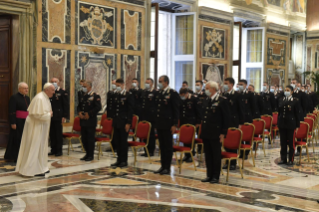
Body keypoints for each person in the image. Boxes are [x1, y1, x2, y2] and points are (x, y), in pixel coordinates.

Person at [15, 83, 55, 177]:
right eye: (52, 90)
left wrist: (49, 114)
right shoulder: (40, 98)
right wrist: (49, 115)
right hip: (36, 128)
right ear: (47, 90)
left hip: (41, 128)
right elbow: (37, 115)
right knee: (34, 147)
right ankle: (31, 170)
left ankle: (41, 167)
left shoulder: (45, 97)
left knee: (41, 148)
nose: (54, 92)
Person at [201, 81, 229, 184]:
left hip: (216, 132)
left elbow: (226, 118)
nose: (206, 90)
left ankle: (215, 176)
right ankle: (209, 175)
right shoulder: (206, 100)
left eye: (207, 88)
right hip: (206, 132)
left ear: (213, 89)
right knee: (208, 155)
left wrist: (223, 133)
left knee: (216, 155)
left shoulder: (222, 101)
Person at [154, 75, 179, 175]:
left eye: (161, 81)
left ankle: (167, 167)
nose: (159, 83)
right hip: (160, 123)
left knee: (168, 146)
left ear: (166, 82)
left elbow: (176, 110)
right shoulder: (159, 93)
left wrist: (174, 124)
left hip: (168, 124)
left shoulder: (172, 93)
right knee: (162, 146)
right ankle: (162, 166)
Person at [4, 82, 30, 162]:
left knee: (24, 139)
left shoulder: (28, 98)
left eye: (27, 88)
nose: (26, 90)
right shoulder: (14, 97)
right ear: (19, 89)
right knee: (16, 139)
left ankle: (23, 155)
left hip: (26, 121)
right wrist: (13, 122)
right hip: (17, 122)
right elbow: (11, 111)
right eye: (24, 88)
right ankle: (15, 156)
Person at [222, 77, 244, 170]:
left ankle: (233, 163)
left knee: (233, 142)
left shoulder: (237, 95)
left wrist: (240, 123)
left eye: (226, 83)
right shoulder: (223, 94)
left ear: (231, 85)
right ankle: (227, 161)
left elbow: (241, 109)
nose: (225, 85)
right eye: (224, 83)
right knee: (226, 142)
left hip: (234, 121)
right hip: (225, 122)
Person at [111, 79, 134, 168]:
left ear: (123, 85)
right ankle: (119, 159)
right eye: (116, 85)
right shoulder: (116, 95)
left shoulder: (128, 95)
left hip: (124, 122)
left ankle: (124, 160)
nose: (117, 87)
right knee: (117, 142)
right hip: (117, 122)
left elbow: (130, 110)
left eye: (118, 85)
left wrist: (128, 122)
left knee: (123, 142)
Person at [77, 81, 102, 161]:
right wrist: (79, 112)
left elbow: (98, 107)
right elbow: (79, 106)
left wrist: (90, 113)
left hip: (90, 120)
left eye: (85, 86)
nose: (83, 88)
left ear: (90, 87)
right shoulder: (82, 95)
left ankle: (90, 155)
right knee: (84, 138)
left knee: (90, 139)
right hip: (83, 120)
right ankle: (87, 153)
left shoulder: (95, 95)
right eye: (83, 86)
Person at [278, 85, 300, 166]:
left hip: (291, 124)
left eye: (288, 90)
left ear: (291, 92)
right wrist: (278, 123)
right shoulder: (281, 100)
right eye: (285, 90)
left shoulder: (295, 101)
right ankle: (283, 158)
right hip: (282, 124)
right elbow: (279, 113)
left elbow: (297, 114)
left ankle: (291, 159)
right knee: (283, 142)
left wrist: (297, 125)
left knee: (291, 143)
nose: (286, 91)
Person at [179, 87, 201, 162]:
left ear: (187, 93)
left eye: (183, 95)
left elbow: (198, 111)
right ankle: (186, 154)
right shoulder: (182, 99)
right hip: (184, 121)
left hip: (192, 121)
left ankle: (191, 154)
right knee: (184, 138)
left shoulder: (194, 99)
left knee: (191, 139)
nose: (182, 97)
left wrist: (198, 122)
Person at [48, 78, 69, 157]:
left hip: (59, 116)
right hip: (51, 116)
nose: (54, 83)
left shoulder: (62, 92)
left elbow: (66, 105)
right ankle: (53, 149)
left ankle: (59, 150)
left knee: (58, 134)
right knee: (52, 134)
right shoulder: (50, 92)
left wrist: (64, 116)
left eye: (55, 82)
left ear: (58, 83)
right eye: (52, 82)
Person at [139, 78, 157, 157]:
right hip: (144, 116)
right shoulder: (144, 92)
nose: (146, 84)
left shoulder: (155, 92)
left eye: (148, 83)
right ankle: (146, 150)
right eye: (146, 82)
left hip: (152, 117)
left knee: (151, 135)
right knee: (146, 134)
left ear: (152, 84)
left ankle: (151, 151)